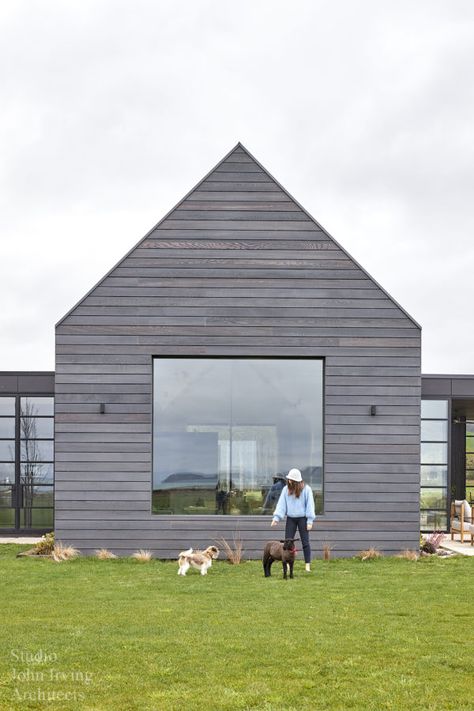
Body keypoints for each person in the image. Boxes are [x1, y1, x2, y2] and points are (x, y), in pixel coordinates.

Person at [271, 468, 315, 572]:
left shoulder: (306, 490)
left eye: (291, 479)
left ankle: (307, 565)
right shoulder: (286, 490)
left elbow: (310, 506)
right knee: (287, 544)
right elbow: (281, 505)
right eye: (289, 479)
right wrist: (276, 518)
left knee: (305, 542)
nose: (289, 481)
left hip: (302, 519)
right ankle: (286, 566)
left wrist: (310, 521)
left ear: (296, 481)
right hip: (291, 519)